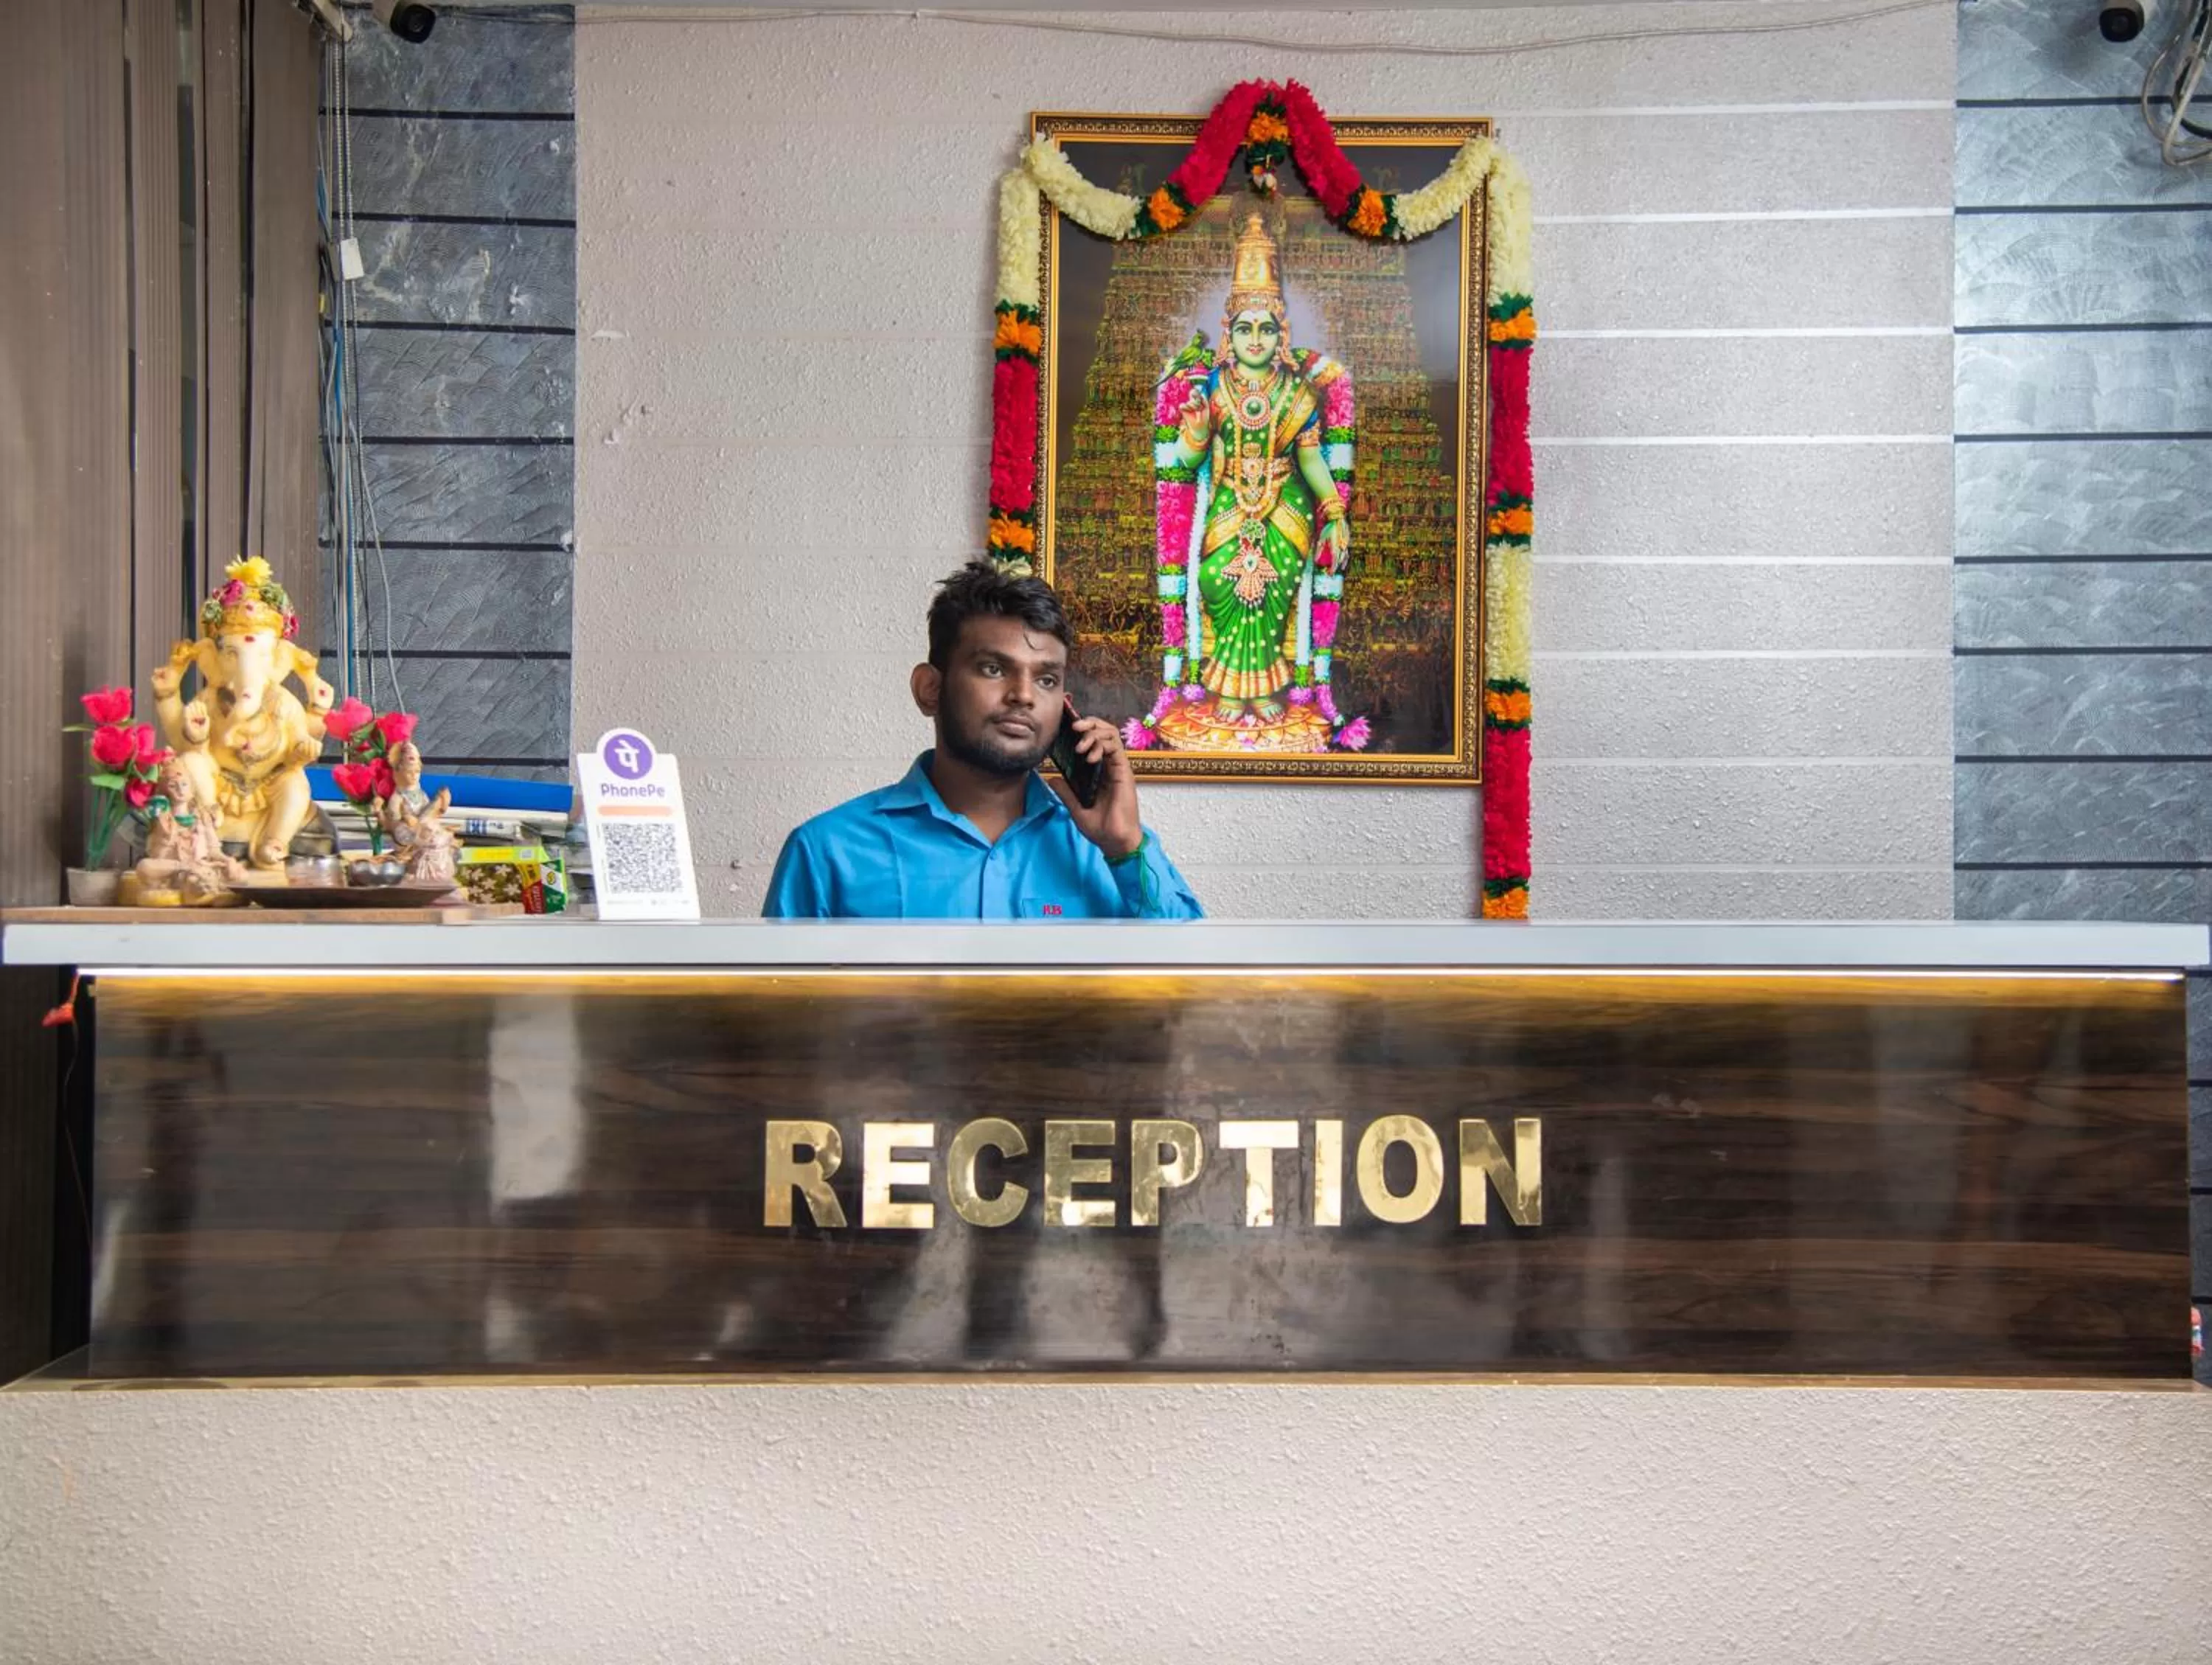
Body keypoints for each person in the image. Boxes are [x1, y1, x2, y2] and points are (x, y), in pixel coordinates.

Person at [762, 564, 1203, 920]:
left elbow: (1199, 994)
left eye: (1046, 679)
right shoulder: (828, 852)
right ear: (930, 689)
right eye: (993, 669)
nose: (1024, 696)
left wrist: (1125, 847)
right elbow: (775, 1022)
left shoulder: (1108, 851)